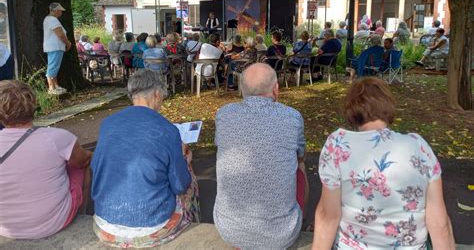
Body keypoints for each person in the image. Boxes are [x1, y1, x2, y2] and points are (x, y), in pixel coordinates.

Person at [312, 77, 455, 250]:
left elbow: (328, 215)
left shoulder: (337, 145)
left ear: (352, 110)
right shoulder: (419, 146)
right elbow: (439, 223)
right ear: (387, 105)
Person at [91, 70, 200, 248]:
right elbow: (180, 185)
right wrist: (185, 161)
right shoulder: (168, 130)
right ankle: (193, 225)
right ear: (157, 94)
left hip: (105, 223)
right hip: (151, 227)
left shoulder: (108, 123)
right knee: (189, 176)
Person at [214, 63, 307, 249]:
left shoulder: (224, 115)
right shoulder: (292, 117)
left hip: (229, 229)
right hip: (282, 234)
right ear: (276, 89)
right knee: (300, 165)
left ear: (242, 90)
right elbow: (301, 155)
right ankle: (300, 221)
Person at [0, 80, 92, 239]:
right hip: (53, 223)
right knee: (79, 165)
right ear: (34, 104)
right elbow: (83, 160)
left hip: (6, 228)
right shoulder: (57, 138)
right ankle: (81, 213)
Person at [43, 2, 72, 94]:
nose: (61, 12)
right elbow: (60, 34)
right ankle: (52, 87)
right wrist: (68, 43)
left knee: (54, 66)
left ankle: (56, 86)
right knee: (53, 67)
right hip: (55, 46)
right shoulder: (53, 20)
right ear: (56, 10)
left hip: (53, 46)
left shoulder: (49, 19)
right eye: (60, 11)